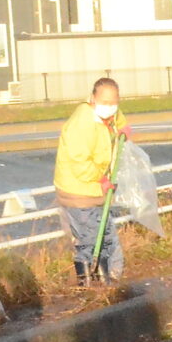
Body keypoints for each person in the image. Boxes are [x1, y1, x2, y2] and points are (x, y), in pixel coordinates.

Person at [53, 76, 129, 284]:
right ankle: (90, 282)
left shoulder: (107, 117)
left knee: (103, 234)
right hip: (79, 191)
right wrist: (101, 179)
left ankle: (107, 277)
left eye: (114, 103)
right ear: (92, 99)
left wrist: (122, 127)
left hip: (95, 191)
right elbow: (80, 163)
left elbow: (117, 118)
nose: (110, 107)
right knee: (90, 238)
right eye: (104, 102)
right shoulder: (82, 124)